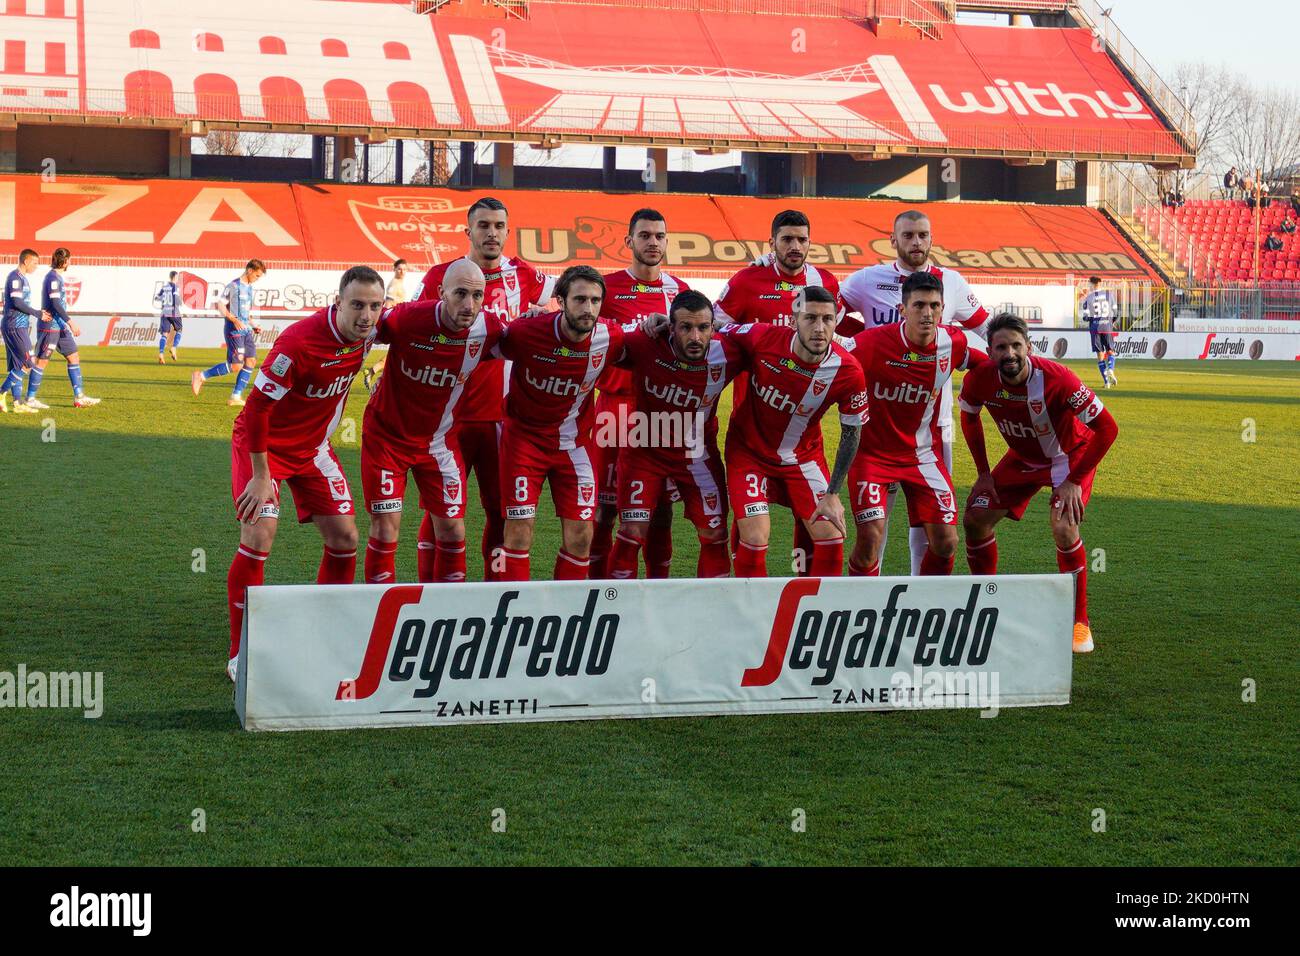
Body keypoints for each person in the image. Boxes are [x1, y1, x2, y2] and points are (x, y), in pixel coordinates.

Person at [224, 266, 382, 681]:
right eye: (357, 305)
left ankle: (326, 636)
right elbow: (256, 409)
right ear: (338, 302)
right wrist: (261, 476)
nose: (366, 316)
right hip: (264, 448)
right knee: (260, 532)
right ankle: (240, 651)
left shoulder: (372, 333)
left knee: (346, 537)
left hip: (313, 449)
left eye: (374, 306)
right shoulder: (299, 342)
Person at [837, 209, 990, 575]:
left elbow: (986, 329)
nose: (916, 242)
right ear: (894, 240)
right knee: (874, 529)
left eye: (923, 235)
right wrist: (853, 334)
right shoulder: (866, 280)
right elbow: (828, 311)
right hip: (876, 424)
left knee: (930, 525)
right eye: (908, 235)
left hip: (932, 425)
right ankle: (866, 604)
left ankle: (917, 598)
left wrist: (1026, 361)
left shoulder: (951, 282)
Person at [959, 313, 1119, 655]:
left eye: (1016, 345)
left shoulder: (1058, 379)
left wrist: (1075, 481)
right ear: (989, 351)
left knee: (1063, 528)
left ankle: (1079, 622)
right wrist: (984, 473)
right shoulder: (980, 378)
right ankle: (985, 603)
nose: (1009, 354)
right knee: (974, 519)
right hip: (1022, 458)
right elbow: (969, 416)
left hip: (1067, 459)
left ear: (1029, 347)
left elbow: (1108, 428)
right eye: (1001, 347)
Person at [413, 198, 556, 581]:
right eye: (483, 226)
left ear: (507, 232)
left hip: (501, 417)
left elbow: (558, 306)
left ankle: (493, 594)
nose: (491, 233)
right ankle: (433, 593)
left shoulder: (523, 275)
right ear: (469, 231)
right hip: (448, 420)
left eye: (498, 226)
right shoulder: (439, 276)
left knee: (499, 509)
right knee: (440, 510)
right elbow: (415, 328)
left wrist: (541, 316)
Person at [714, 208, 844, 574]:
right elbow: (716, 331)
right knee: (751, 530)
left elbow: (838, 333)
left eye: (802, 239)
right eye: (787, 239)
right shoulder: (745, 282)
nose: (795, 246)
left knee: (818, 525)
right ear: (770, 243)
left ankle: (808, 598)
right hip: (753, 425)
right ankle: (746, 603)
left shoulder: (825, 283)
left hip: (804, 434)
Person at [361, 259, 503, 585]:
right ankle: (381, 614)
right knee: (386, 527)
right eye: (461, 294)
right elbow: (359, 325)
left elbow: (531, 339)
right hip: (387, 439)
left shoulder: (489, 328)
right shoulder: (407, 318)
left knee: (453, 529)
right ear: (441, 292)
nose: (469, 305)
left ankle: (447, 614)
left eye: (478, 296)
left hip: (439, 443)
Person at [719, 285, 867, 578]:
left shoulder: (848, 371)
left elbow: (852, 434)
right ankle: (753, 616)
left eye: (827, 319)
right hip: (748, 452)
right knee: (756, 536)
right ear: (792, 320)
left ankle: (816, 615)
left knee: (832, 535)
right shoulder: (762, 337)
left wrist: (833, 493)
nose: (819, 328)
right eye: (810, 318)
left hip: (803, 458)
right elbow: (717, 329)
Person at [493, 265, 625, 581]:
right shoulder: (525, 333)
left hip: (574, 446)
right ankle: (513, 613)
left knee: (582, 536)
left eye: (595, 300)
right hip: (523, 444)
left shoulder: (611, 338)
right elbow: (482, 347)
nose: (588, 308)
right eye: (580, 299)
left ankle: (566, 617)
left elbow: (649, 349)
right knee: (519, 532)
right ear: (560, 301)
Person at [607, 289, 741, 579]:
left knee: (715, 535)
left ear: (713, 327)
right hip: (645, 451)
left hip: (697, 455)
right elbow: (598, 338)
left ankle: (710, 615)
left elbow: (772, 342)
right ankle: (618, 611)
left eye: (703, 327)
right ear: (670, 327)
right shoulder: (645, 343)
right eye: (686, 327)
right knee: (631, 534)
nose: (695, 337)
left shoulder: (730, 352)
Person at [593, 208, 691, 579]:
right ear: (629, 241)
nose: (653, 242)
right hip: (613, 411)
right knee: (605, 508)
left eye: (660, 236)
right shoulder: (604, 288)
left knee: (660, 509)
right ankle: (598, 593)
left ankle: (657, 589)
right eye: (645, 235)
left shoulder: (679, 291)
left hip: (661, 415)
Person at [28, 247, 100, 409]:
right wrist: (70, 321)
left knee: (73, 357)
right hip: (51, 326)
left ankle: (79, 397)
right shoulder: (52, 278)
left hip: (60, 326)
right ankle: (30, 398)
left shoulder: (57, 277)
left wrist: (65, 323)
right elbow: (54, 303)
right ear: (66, 261)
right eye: (70, 259)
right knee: (41, 362)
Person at [192, 259, 266, 407]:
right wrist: (233, 319)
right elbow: (219, 304)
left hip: (246, 330)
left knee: (251, 361)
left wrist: (253, 325)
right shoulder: (234, 286)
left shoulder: (249, 288)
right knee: (235, 366)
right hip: (234, 330)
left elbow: (246, 312)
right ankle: (201, 376)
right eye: (257, 275)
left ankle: (236, 396)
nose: (257, 279)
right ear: (250, 270)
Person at [1, 248, 41, 414]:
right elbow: (17, 301)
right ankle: (2, 392)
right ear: (26, 261)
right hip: (14, 326)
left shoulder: (22, 279)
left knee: (17, 365)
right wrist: (36, 312)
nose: (36, 266)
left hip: (19, 325)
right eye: (35, 263)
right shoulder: (15, 278)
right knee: (28, 362)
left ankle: (17, 403)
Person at [1082, 276, 1119, 388]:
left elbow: (1085, 317)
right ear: (1100, 284)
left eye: (1089, 284)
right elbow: (1116, 312)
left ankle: (1106, 382)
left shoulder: (1089, 298)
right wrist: (1111, 322)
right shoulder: (1110, 295)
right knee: (1111, 351)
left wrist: (1091, 319)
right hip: (1107, 327)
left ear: (1093, 285)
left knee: (1100, 355)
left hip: (1095, 328)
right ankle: (1111, 370)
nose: (1089, 286)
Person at [155, 270, 183, 363]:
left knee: (164, 334)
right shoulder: (175, 287)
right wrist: (178, 303)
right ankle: (174, 348)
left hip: (164, 313)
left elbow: (157, 297)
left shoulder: (164, 287)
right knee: (179, 330)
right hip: (173, 312)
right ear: (175, 277)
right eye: (177, 277)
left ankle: (161, 354)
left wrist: (164, 301)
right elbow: (175, 297)